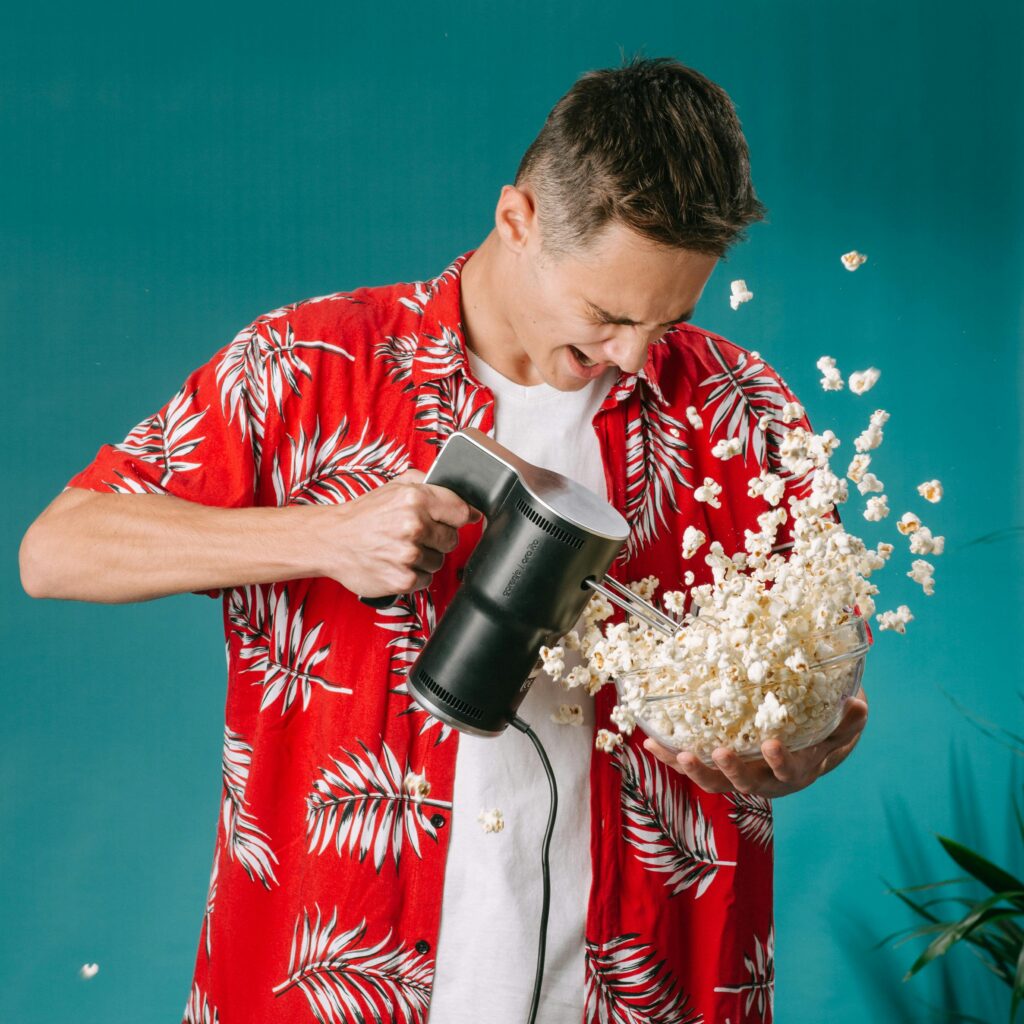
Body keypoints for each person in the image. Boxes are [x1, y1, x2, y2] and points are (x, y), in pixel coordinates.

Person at [20, 55, 868, 1024]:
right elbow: (58, 549)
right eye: (609, 314)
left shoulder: (739, 410)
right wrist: (322, 534)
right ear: (518, 220)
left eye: (670, 317)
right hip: (336, 978)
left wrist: (800, 739)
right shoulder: (309, 365)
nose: (637, 355)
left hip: (640, 988)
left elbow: (826, 664)